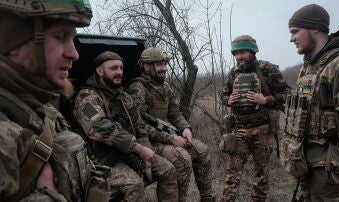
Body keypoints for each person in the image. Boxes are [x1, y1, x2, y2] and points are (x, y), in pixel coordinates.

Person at [0, 0, 112, 201]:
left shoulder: (45, 111)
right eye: (60, 37)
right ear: (12, 43)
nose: (74, 54)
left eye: (72, 39)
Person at [73, 51, 178, 202]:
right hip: (99, 159)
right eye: (114, 68)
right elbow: (99, 127)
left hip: (126, 153)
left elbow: (139, 126)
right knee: (134, 184)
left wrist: (145, 156)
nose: (119, 72)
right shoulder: (86, 97)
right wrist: (138, 148)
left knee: (168, 170)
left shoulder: (123, 97)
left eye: (121, 68)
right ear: (99, 71)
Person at [285, 4, 339, 201]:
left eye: (295, 31)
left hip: (331, 174)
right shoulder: (310, 66)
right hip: (309, 168)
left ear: (315, 28)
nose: (291, 38)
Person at [127, 47, 214, 202]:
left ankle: (207, 198)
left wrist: (185, 127)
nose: (164, 68)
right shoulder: (137, 89)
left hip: (165, 137)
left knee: (202, 151)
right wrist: (171, 139)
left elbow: (174, 113)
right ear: (146, 66)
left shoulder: (164, 86)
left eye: (165, 63)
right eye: (159, 64)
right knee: (182, 159)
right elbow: (138, 126)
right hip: (148, 142)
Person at [219, 35, 289, 202]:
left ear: (252, 51)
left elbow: (286, 94)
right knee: (232, 174)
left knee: (261, 174)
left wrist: (265, 100)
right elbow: (223, 94)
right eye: (235, 53)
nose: (238, 57)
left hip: (262, 130)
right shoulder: (233, 72)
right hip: (239, 130)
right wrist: (227, 100)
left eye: (242, 52)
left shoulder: (268, 69)